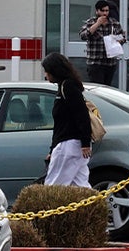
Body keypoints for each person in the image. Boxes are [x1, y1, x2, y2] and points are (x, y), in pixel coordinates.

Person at [41, 52, 91, 187]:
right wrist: (52, 150)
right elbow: (60, 124)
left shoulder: (68, 87)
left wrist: (86, 143)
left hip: (68, 145)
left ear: (54, 71)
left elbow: (82, 115)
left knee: (53, 187)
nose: (45, 75)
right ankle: (95, 207)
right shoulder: (64, 86)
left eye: (47, 71)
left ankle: (48, 208)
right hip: (72, 145)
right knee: (79, 186)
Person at [79, 0, 125, 85]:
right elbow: (83, 35)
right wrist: (97, 24)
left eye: (107, 11)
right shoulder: (91, 22)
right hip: (95, 62)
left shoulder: (114, 23)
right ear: (97, 11)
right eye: (102, 11)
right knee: (97, 87)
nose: (105, 13)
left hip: (110, 62)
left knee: (107, 88)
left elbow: (123, 37)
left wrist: (120, 39)